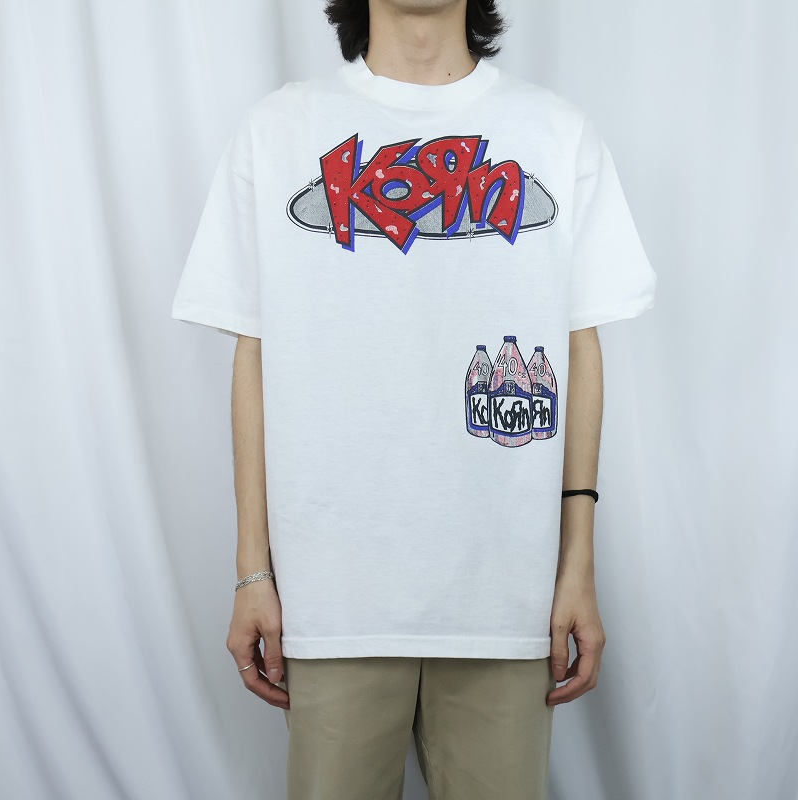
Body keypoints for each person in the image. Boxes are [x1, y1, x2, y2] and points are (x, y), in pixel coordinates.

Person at [171, 0, 656, 796]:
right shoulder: (278, 131)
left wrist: (578, 565)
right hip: (332, 603)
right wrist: (251, 572)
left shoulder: (556, 132)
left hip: (507, 600)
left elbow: (579, 348)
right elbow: (254, 352)